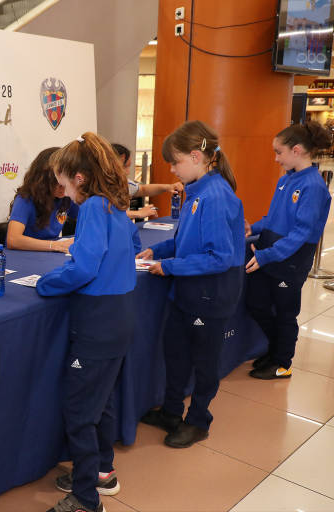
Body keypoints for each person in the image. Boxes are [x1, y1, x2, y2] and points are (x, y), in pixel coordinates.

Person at [37, 133, 137, 512]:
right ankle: (101, 472)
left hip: (98, 322)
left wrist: (48, 284)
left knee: (79, 411)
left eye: (61, 179)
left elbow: (84, 267)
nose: (59, 188)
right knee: (102, 402)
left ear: (78, 177)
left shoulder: (94, 207)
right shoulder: (113, 206)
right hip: (120, 316)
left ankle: (84, 499)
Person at [137, 120, 244, 448]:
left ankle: (199, 420)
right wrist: (159, 249)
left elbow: (219, 257)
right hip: (186, 292)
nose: (172, 169)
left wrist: (168, 266)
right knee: (177, 353)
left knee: (203, 361)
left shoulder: (215, 197)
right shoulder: (197, 192)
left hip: (210, 295)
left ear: (197, 157)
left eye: (175, 161)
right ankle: (171, 411)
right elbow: (186, 240)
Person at [245, 122, 332, 379]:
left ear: (296, 150)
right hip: (270, 252)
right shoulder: (286, 180)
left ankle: (283, 362)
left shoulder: (313, 186)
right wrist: (253, 227)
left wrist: (266, 255)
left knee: (285, 311)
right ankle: (275, 350)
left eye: (278, 152)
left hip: (290, 258)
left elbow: (301, 233)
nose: (275, 158)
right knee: (257, 303)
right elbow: (274, 217)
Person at [6, 147, 77, 253]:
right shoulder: (25, 199)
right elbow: (13, 240)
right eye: (57, 183)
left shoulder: (67, 197)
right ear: (43, 180)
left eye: (66, 182)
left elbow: (88, 218)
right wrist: (55, 245)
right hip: (25, 256)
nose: (64, 188)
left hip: (50, 256)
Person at [111, 143, 184, 220]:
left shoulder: (124, 184)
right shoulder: (99, 189)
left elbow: (143, 189)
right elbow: (107, 214)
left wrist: (168, 187)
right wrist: (138, 213)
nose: (128, 172)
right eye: (124, 167)